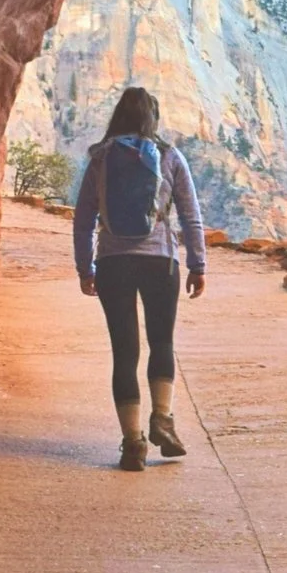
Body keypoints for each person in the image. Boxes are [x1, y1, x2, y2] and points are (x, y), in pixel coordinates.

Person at [71, 87, 207, 470]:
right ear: (153, 118)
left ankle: (133, 443)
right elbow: (191, 215)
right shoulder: (169, 156)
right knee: (162, 342)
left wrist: (85, 268)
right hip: (160, 261)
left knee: (124, 352)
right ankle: (162, 418)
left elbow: (83, 220)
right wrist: (198, 264)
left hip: (113, 262)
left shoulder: (101, 158)